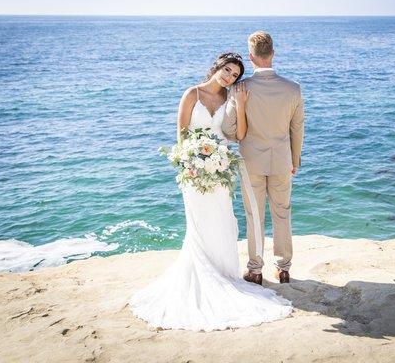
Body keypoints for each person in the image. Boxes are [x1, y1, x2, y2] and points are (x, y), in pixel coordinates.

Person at [129, 52, 292, 332]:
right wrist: (190, 163)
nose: (229, 76)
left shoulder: (230, 99)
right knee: (199, 225)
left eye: (234, 75)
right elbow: (181, 135)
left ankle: (225, 276)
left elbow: (238, 136)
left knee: (224, 222)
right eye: (227, 70)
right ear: (216, 67)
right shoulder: (191, 93)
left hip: (220, 170)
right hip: (194, 173)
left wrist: (240, 104)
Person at [222, 31, 305, 286]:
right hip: (282, 160)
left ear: (251, 57)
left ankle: (255, 270)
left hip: (250, 161)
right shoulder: (293, 89)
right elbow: (297, 128)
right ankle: (283, 269)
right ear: (273, 54)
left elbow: (228, 129)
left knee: (254, 215)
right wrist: (296, 159)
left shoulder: (240, 88)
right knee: (282, 214)